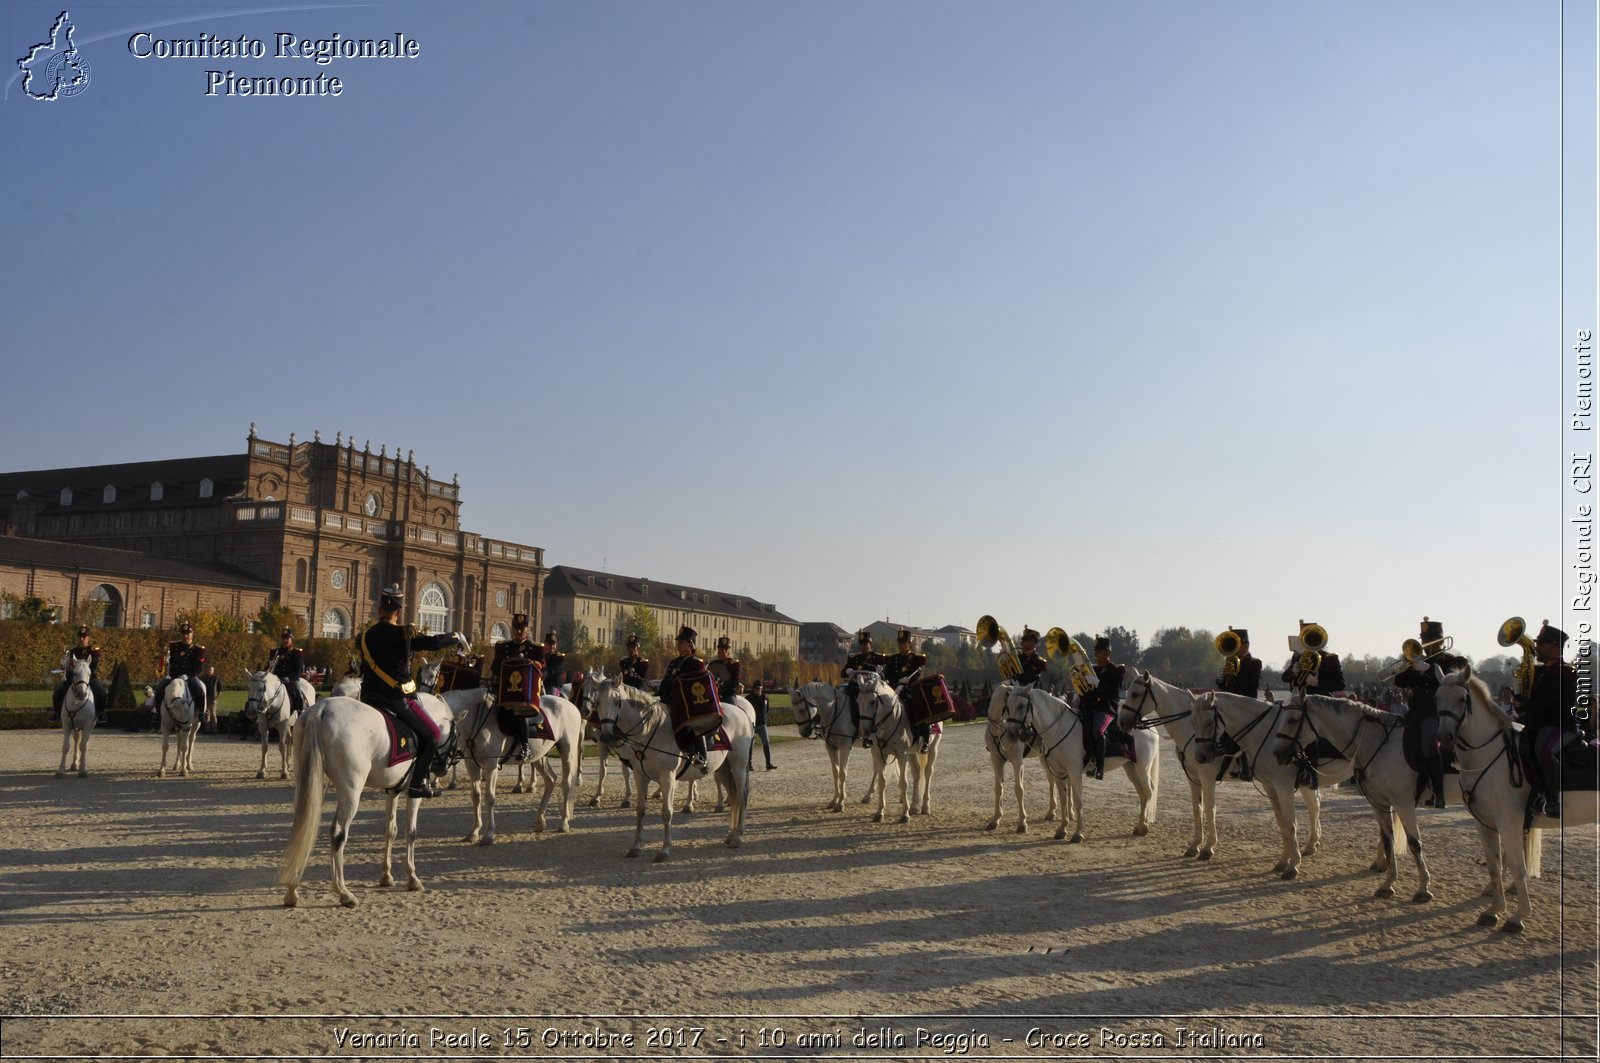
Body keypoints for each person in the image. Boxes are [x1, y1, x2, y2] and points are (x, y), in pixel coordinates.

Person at [356, 585, 467, 798]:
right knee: (433, 734)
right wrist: (455, 636)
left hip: (369, 696)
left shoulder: (364, 636)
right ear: (398, 612)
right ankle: (417, 784)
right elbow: (433, 643)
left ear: (380, 610)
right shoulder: (404, 634)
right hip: (396, 698)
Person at [1392, 617, 1465, 808]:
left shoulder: (1453, 661)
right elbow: (1398, 681)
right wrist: (1410, 665)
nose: (1426, 646)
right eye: (1424, 641)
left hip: (1437, 715)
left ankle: (1439, 792)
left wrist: (1429, 669)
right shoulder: (1417, 662)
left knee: (1429, 745)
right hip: (1414, 714)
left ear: (1441, 641)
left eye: (1430, 640)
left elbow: (1450, 678)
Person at [1513, 621, 1581, 818]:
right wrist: (1519, 694)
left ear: (1555, 646)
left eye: (1542, 644)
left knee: (1544, 749)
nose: (1537, 647)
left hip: (1561, 725)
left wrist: (1524, 707)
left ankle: (1552, 800)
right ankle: (1536, 791)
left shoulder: (1566, 672)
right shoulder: (1540, 670)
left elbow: (1546, 700)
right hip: (1540, 724)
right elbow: (1532, 699)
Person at [658, 625, 714, 776]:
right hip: (670, 701)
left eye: (681, 642)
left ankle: (702, 757)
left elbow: (697, 685)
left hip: (688, 703)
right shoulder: (674, 661)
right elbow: (667, 680)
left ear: (690, 644)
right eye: (678, 641)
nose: (678, 644)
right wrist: (661, 689)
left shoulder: (696, 662)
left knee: (693, 724)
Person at [1214, 626, 1263, 781]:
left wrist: (1232, 674)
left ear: (1246, 645)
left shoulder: (1254, 663)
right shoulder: (1231, 662)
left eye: (1237, 645)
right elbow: (1225, 688)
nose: (1234, 650)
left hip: (1247, 705)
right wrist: (1221, 678)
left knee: (1239, 730)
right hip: (1231, 705)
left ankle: (1244, 764)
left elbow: (1242, 686)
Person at [491, 613, 542, 761]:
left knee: (521, 712)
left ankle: (525, 745)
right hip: (505, 690)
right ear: (512, 629)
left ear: (528, 629)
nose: (519, 632)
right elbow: (495, 667)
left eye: (522, 628)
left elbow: (542, 667)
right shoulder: (503, 646)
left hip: (525, 691)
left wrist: (537, 664)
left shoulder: (535, 648)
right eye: (516, 628)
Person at [1079, 635, 1125, 780]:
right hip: (1089, 708)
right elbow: (1087, 691)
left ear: (1107, 654)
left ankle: (1100, 767)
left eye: (1099, 652)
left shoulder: (1116, 671)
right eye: (1096, 652)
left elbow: (1113, 692)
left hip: (1106, 709)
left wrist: (1098, 683)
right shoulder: (1092, 670)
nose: (1096, 655)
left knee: (1098, 731)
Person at [882, 628, 930, 751]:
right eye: (900, 643)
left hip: (909, 690)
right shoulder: (893, 659)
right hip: (894, 690)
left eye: (904, 643)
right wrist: (896, 683)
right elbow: (888, 674)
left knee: (920, 708)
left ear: (909, 644)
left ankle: (925, 740)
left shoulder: (915, 659)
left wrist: (905, 683)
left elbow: (917, 674)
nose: (901, 645)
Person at [52, 624, 107, 720]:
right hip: (74, 678)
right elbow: (68, 666)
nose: (82, 639)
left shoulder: (93, 651)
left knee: (101, 693)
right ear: (77, 637)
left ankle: (101, 713)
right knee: (57, 693)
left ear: (88, 638)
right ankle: (57, 713)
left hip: (89, 678)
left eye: (84, 637)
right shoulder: (72, 652)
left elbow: (93, 665)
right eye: (80, 637)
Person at [1280, 622, 1346, 698]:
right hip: (1299, 700)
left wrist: (1318, 682)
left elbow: (1340, 685)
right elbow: (1284, 678)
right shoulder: (1299, 656)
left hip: (1320, 700)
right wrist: (1292, 671)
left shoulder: (1330, 658)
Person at [841, 630, 885, 739]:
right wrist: (847, 671)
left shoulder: (878, 658)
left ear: (870, 644)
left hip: (871, 689)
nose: (864, 646)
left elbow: (885, 676)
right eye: (862, 644)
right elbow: (842, 673)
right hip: (855, 687)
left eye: (866, 644)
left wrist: (881, 672)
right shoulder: (853, 658)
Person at [163, 622, 208, 720]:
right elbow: (172, 663)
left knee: (200, 691)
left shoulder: (199, 649)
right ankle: (157, 713)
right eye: (183, 633)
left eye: (188, 633)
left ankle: (201, 713)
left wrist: (187, 676)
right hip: (174, 676)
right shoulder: (174, 646)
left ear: (192, 634)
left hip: (189, 676)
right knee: (160, 689)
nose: (185, 636)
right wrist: (171, 674)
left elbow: (199, 668)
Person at [265, 627, 308, 717]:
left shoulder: (296, 652)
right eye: (283, 638)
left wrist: (289, 678)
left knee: (297, 691)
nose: (285, 640)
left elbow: (298, 667)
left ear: (291, 639)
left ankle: (301, 711)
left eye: (287, 638)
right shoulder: (275, 652)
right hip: (276, 679)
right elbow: (269, 666)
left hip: (291, 679)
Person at [749, 679, 775, 769]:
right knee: (751, 744)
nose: (758, 690)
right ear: (753, 689)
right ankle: (749, 764)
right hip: (752, 724)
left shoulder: (765, 697)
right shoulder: (749, 698)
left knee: (766, 742)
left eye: (759, 688)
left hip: (762, 724)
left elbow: (766, 710)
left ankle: (768, 763)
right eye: (756, 688)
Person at [711, 636, 743, 704]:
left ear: (728, 651)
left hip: (728, 694)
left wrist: (723, 684)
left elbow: (735, 682)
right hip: (714, 693)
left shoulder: (734, 664)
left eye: (725, 649)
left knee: (732, 706)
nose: (723, 651)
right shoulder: (713, 664)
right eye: (721, 649)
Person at [541, 629, 566, 696]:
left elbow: (552, 671)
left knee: (550, 698)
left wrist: (542, 675)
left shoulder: (559, 657)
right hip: (540, 683)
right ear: (545, 644)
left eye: (554, 644)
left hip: (553, 684)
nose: (552, 646)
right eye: (549, 644)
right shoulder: (540, 655)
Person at [201, 666, 220, 733]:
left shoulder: (216, 678)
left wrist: (216, 698)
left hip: (213, 698)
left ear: (213, 671)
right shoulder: (203, 678)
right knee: (206, 714)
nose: (209, 671)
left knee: (213, 714)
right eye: (208, 670)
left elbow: (220, 689)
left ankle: (215, 729)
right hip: (205, 698)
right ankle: (207, 729)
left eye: (211, 670)